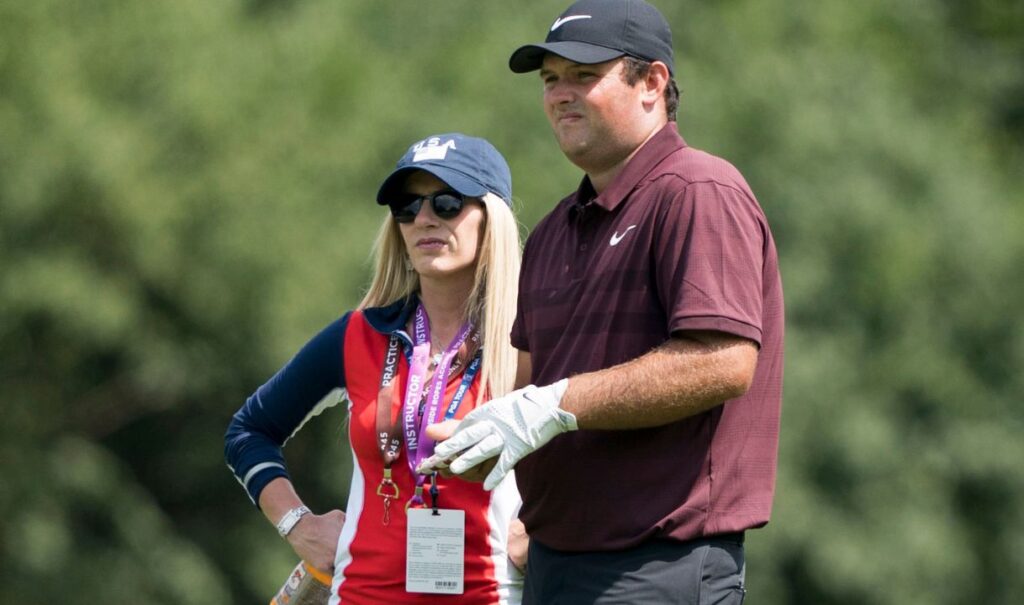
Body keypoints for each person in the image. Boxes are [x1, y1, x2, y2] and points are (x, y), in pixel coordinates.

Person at [419, 1, 784, 603]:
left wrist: (554, 406)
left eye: (584, 75)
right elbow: (531, 386)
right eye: (550, 79)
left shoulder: (698, 191)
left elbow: (722, 360)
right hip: (551, 561)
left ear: (652, 83)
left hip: (658, 565)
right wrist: (488, 437)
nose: (560, 94)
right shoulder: (554, 229)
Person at [225, 133, 525, 605]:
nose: (424, 218)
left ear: (493, 218)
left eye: (447, 203)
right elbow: (248, 431)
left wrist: (554, 526)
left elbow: (611, 449)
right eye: (407, 206)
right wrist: (298, 524)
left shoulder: (531, 340)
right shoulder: (358, 336)